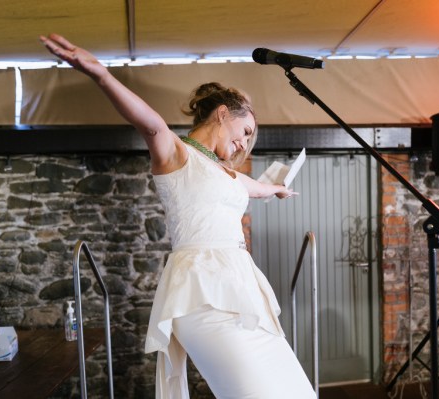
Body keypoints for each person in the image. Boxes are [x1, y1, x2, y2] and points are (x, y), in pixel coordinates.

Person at [41, 33, 316, 399]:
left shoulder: (226, 173)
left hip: (241, 291)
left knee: (297, 391)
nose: (243, 144)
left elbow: (252, 186)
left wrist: (277, 189)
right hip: (198, 292)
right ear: (222, 114)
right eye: (244, 132)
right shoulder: (176, 153)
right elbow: (150, 123)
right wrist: (101, 75)